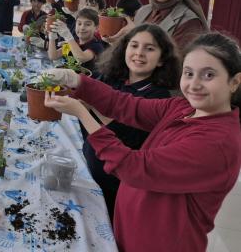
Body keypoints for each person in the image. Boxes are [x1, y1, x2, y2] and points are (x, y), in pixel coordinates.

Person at [43, 32, 241, 252]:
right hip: (132, 232)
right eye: (189, 73)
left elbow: (134, 167)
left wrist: (83, 114)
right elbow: (125, 105)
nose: (194, 84)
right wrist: (77, 81)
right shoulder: (183, 108)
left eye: (208, 75)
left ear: (234, 82)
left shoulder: (217, 144)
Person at [83, 24, 180, 219]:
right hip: (88, 168)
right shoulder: (112, 77)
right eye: (134, 45)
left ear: (162, 59)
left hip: (114, 185)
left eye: (149, 48)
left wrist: (86, 106)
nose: (139, 53)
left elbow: (118, 133)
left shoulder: (158, 98)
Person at [48, 8, 105, 74]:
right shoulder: (74, 41)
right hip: (69, 76)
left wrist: (68, 37)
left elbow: (81, 58)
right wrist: (52, 36)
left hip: (86, 79)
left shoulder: (96, 45)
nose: (82, 28)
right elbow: (53, 56)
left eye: (88, 24)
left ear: (96, 28)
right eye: (79, 24)